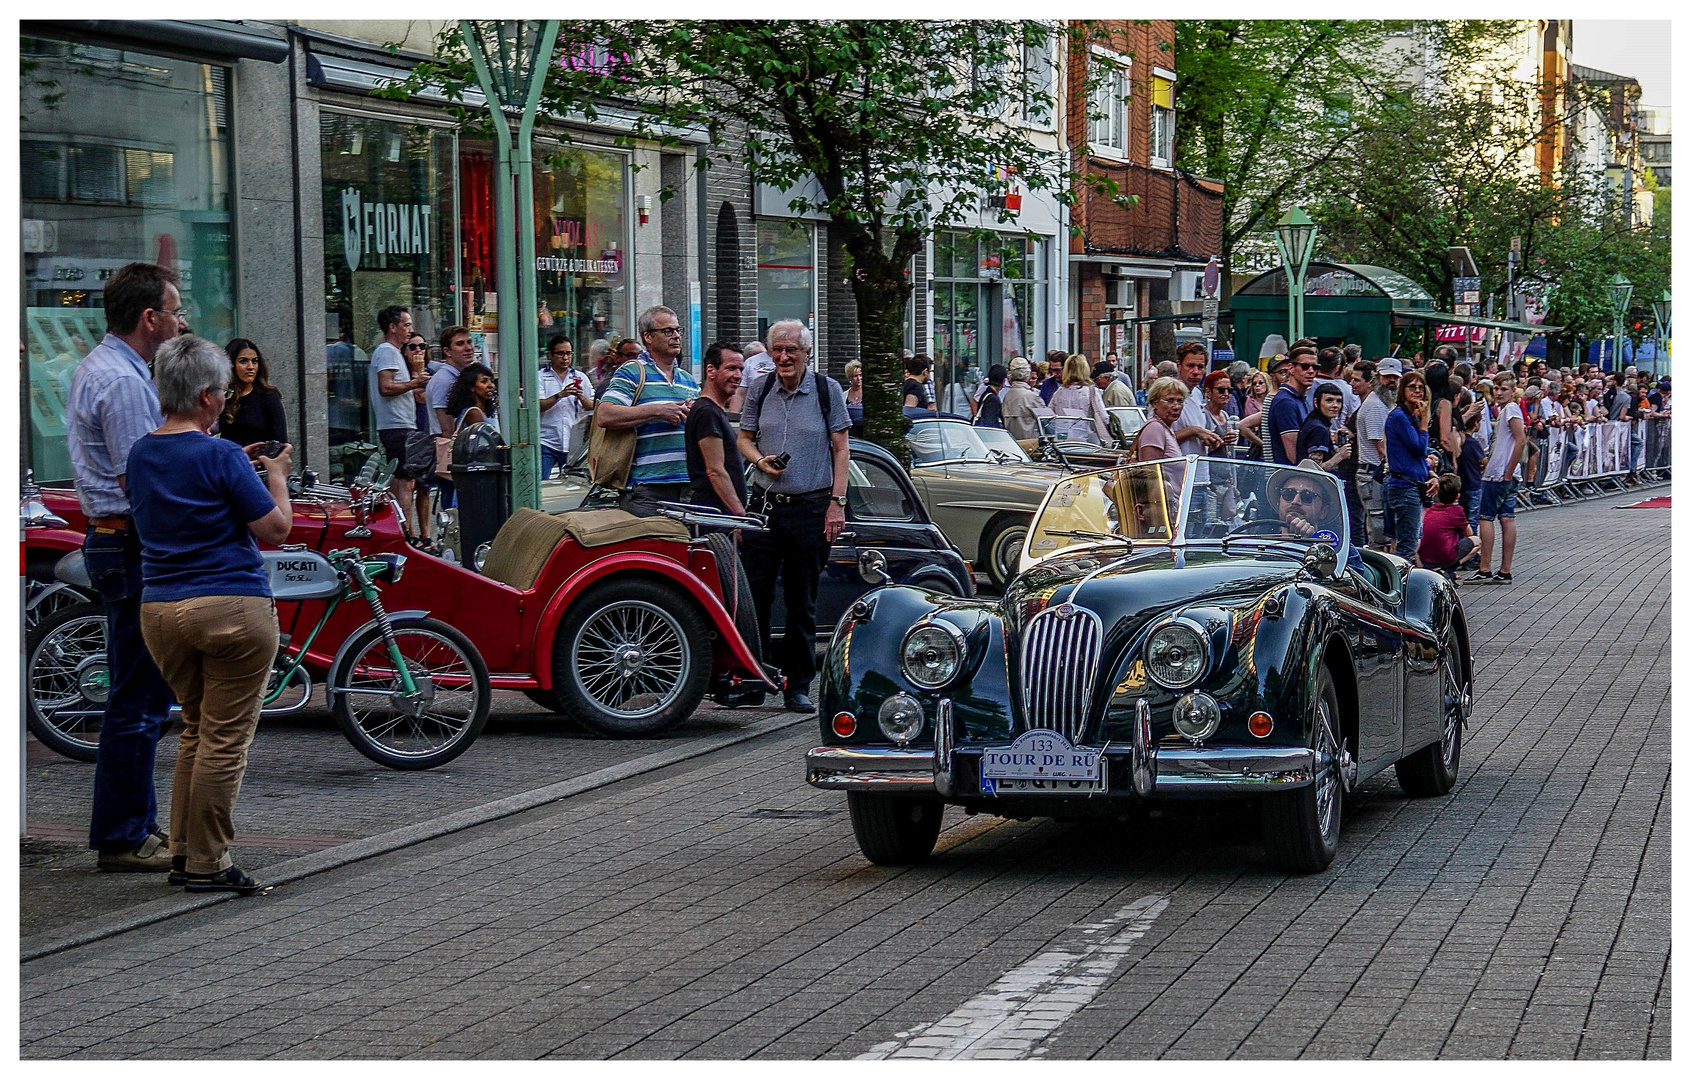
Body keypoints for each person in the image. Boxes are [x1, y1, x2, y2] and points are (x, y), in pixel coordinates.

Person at [127, 335, 292, 894]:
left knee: (196, 729)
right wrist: (277, 477)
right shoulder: (221, 453)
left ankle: (183, 850)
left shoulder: (141, 452)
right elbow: (274, 529)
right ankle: (210, 861)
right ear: (205, 397)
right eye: (221, 391)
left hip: (161, 609)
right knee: (225, 739)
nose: (225, 399)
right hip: (230, 606)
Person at [66, 261, 182, 872]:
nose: (181, 319)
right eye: (174, 308)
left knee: (137, 693)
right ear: (149, 318)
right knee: (139, 698)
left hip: (114, 539)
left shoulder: (105, 367)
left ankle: (134, 825)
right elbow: (145, 478)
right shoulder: (126, 382)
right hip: (129, 541)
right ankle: (125, 833)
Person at [735, 319, 850, 712]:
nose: (784, 357)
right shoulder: (761, 388)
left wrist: (837, 502)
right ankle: (754, 677)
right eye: (777, 350)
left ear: (806, 353)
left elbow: (840, 448)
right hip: (765, 507)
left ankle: (798, 686)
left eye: (792, 350)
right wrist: (759, 462)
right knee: (755, 596)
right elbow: (744, 439)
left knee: (802, 599)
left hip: (810, 508)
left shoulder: (826, 389)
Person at [595, 305, 700, 501]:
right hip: (647, 488)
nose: (676, 336)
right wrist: (658, 411)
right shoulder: (632, 371)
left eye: (678, 330)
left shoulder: (689, 380)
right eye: (668, 331)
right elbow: (605, 415)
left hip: (687, 486)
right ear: (648, 337)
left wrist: (695, 413)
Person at [368, 305, 431, 538]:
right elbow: (386, 387)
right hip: (397, 426)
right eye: (406, 325)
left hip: (400, 424)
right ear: (392, 327)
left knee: (401, 479)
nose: (410, 330)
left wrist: (415, 378)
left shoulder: (393, 353)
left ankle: (400, 530)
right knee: (406, 481)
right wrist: (415, 383)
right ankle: (404, 533)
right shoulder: (387, 351)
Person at [687, 342, 750, 516]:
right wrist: (739, 515)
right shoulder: (707, 413)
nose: (738, 376)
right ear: (710, 371)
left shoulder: (713, 411)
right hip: (716, 518)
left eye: (741, 370)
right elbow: (715, 471)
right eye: (731, 368)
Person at [1474, 373, 1526, 583]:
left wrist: (1507, 471)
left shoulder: (1511, 409)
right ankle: (1504, 570)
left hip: (1499, 474)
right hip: (1502, 471)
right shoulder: (1506, 410)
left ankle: (1485, 566)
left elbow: (1520, 440)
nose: (1499, 393)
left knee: (1486, 517)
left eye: (1504, 389)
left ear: (1513, 391)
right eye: (1496, 389)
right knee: (1506, 517)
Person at [1384, 369, 1437, 562]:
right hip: (1404, 487)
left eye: (1420, 388)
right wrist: (1424, 422)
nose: (1417, 391)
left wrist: (1432, 474)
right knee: (1407, 546)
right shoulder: (1399, 416)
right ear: (1402, 390)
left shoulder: (1409, 416)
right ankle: (1399, 587)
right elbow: (1418, 448)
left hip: (1412, 485)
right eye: (1411, 387)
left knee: (1410, 542)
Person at [537, 333, 593, 480]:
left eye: (568, 353)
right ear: (550, 355)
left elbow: (592, 405)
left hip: (573, 442)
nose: (565, 358)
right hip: (546, 441)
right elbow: (538, 405)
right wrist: (560, 395)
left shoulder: (581, 377)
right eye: (560, 353)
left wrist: (581, 396)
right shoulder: (540, 377)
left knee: (573, 483)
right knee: (542, 483)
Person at [218, 338, 287, 447]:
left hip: (259, 461)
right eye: (243, 361)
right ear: (230, 364)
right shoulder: (223, 396)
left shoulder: (268, 397)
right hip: (229, 461)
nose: (250, 367)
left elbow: (280, 441)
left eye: (254, 361)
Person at [1267, 347, 1317, 465]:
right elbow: (1294, 456)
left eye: (1315, 367)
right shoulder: (1285, 402)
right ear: (1291, 368)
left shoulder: (1298, 398)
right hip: (1293, 477)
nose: (1311, 371)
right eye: (1305, 366)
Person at [1049, 354, 1112, 444]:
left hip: (1062, 440)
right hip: (1085, 441)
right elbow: (1104, 418)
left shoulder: (1060, 391)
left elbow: (1050, 415)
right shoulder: (1091, 391)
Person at [1297, 382, 1353, 476]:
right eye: (1329, 400)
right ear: (1316, 403)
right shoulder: (1319, 429)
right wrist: (1340, 456)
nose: (1335, 405)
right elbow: (1313, 470)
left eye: (1339, 401)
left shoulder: (1313, 421)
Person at [1135, 377, 1186, 464]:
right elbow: (1151, 473)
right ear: (1155, 403)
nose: (1176, 407)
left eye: (1180, 401)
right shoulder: (1155, 428)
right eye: (1170, 401)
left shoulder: (1165, 427)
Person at [445, 362, 498, 433]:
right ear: (471, 387)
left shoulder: (478, 411)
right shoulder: (474, 413)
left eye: (491, 381)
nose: (490, 385)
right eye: (484, 381)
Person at [1001, 358, 1042, 441]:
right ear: (1028, 374)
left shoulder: (1007, 396)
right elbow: (1046, 420)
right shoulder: (1032, 396)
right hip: (1031, 443)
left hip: (1012, 442)